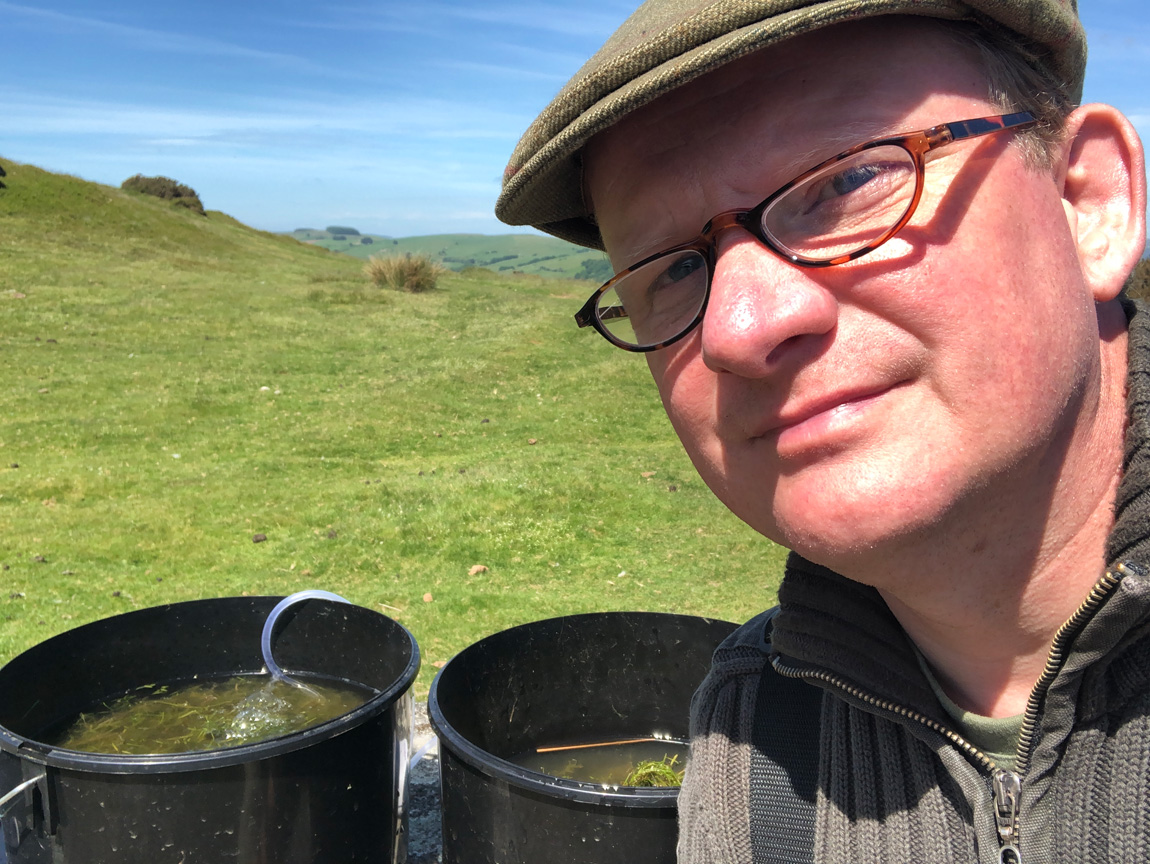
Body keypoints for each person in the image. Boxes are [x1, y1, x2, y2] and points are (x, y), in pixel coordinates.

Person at [496, 1, 1147, 862]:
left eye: (847, 181)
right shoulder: (755, 742)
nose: (738, 327)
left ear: (1086, 202)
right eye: (678, 267)